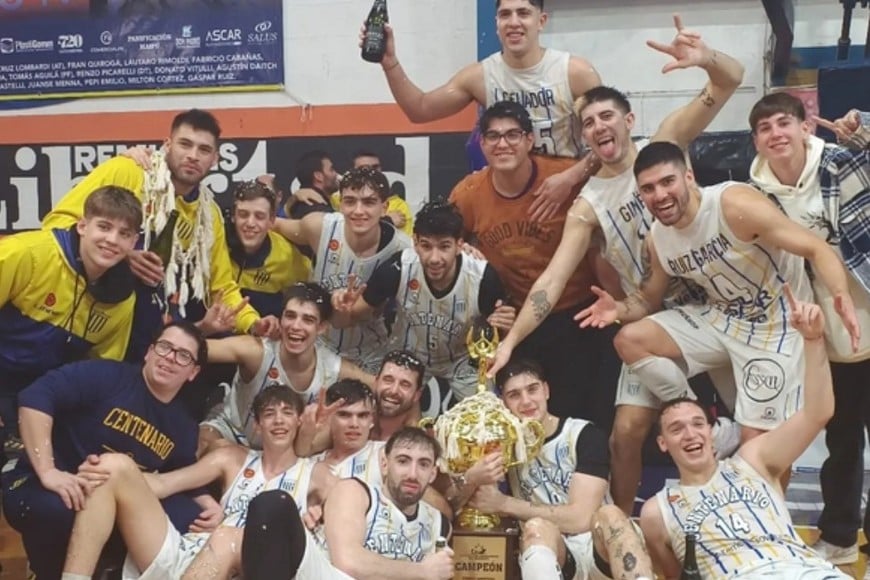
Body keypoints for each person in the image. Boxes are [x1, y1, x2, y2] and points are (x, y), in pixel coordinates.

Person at [488, 19, 746, 512]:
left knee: (749, 427)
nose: (597, 126)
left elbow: (730, 80)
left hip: (708, 306)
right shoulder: (587, 204)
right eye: (587, 122)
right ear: (583, 137)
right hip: (644, 316)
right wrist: (512, 342)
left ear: (628, 121)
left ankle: (742, 496)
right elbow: (551, 281)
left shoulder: (664, 143)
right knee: (624, 434)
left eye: (606, 116)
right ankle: (620, 529)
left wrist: (706, 57)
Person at [577, 142, 860, 463]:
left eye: (668, 182)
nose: (659, 195)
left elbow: (814, 247)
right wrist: (619, 308)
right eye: (649, 188)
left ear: (688, 177)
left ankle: (768, 510)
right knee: (630, 339)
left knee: (759, 453)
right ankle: (706, 424)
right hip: (722, 318)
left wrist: (841, 295)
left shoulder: (733, 204)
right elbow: (647, 299)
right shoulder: (659, 238)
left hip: (775, 327)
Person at [640, 286, 850, 578]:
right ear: (663, 443)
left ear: (711, 432)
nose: (690, 434)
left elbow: (818, 413)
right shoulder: (656, 512)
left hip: (808, 570)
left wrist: (813, 341)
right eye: (677, 429)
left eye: (698, 424)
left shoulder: (753, 460)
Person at [747, 94, 870, 568]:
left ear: (805, 128)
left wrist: (861, 127)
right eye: (765, 128)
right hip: (822, 332)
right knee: (840, 439)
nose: (776, 133)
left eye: (785, 123)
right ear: (755, 140)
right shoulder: (754, 195)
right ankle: (839, 533)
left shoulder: (841, 160)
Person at [42, 108, 277, 355]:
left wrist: (252, 322)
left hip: (148, 336)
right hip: (83, 320)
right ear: (167, 145)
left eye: (204, 150)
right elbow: (57, 223)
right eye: (185, 144)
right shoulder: (129, 170)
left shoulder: (209, 215)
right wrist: (122, 255)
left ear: (215, 159)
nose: (193, 156)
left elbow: (221, 287)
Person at [2, 322, 220, 580]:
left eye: (183, 355)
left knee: (190, 518)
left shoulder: (183, 425)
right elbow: (35, 398)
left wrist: (208, 505)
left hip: (112, 500)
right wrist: (48, 470)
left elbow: (179, 473)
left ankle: (109, 571)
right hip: (49, 482)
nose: (170, 358)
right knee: (60, 509)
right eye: (164, 347)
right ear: (149, 352)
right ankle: (44, 572)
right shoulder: (106, 376)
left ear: (193, 372)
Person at [449, 100, 620, 430]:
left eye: (513, 135)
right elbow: (440, 238)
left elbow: (615, 157)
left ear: (530, 140)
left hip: (580, 312)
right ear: (481, 144)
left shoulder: (560, 178)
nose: (503, 144)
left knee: (585, 420)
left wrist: (576, 174)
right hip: (519, 319)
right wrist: (464, 248)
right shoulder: (469, 194)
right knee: (528, 421)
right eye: (493, 136)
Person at [62, 384, 325, 579]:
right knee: (111, 466)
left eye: (287, 413)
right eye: (269, 414)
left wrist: (317, 518)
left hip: (249, 568)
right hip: (196, 552)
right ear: (256, 425)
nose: (278, 420)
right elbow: (164, 484)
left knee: (228, 537)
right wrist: (96, 473)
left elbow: (344, 530)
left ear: (299, 420)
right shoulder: (231, 457)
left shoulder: (318, 473)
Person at [369, 0, 602, 220]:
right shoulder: (479, 76)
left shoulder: (575, 72)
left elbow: (612, 140)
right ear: (497, 25)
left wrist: (571, 178)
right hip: (511, 198)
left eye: (523, 13)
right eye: (504, 14)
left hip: (568, 192)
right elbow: (419, 109)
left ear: (541, 21)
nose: (513, 22)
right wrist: (390, 63)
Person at [443, 358, 653, 580]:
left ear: (546, 390)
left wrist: (504, 504)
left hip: (598, 547)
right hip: (554, 550)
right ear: (503, 402)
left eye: (532, 389)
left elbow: (581, 518)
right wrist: (471, 478)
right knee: (536, 528)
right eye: (514, 395)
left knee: (611, 515)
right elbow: (452, 504)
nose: (526, 401)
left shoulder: (583, 435)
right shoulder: (503, 443)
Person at [0, 186, 142, 454]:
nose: (112, 240)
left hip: (42, 395)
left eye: (124, 234)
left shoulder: (123, 298)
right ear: (82, 226)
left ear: (134, 242)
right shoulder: (28, 253)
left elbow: (100, 372)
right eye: (104, 227)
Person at [330, 201, 515, 403]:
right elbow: (353, 316)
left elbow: (500, 335)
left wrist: (504, 326)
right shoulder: (397, 268)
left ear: (459, 245)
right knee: (385, 405)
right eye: (426, 246)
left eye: (444, 246)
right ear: (415, 242)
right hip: (408, 354)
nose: (434, 258)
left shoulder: (482, 276)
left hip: (462, 359)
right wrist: (343, 308)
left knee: (485, 415)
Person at [240, 426, 453, 580]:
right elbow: (348, 563)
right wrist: (422, 571)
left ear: (433, 473)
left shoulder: (439, 524)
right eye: (403, 461)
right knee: (273, 505)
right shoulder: (355, 492)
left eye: (423, 464)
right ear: (384, 464)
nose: (412, 474)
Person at [200, 282, 373, 453]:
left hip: (288, 454)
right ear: (280, 318)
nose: (296, 326)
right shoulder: (257, 351)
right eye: (290, 316)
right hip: (233, 433)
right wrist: (204, 328)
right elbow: (190, 348)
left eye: (308, 319)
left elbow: (384, 389)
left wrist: (325, 436)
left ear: (321, 328)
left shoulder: (333, 367)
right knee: (208, 444)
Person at [274, 167, 412, 373]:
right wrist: (291, 202)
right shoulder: (319, 227)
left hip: (371, 351)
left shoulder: (404, 249)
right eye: (350, 201)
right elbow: (273, 224)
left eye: (368, 202)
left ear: (384, 207)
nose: (358, 211)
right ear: (340, 204)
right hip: (318, 346)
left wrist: (467, 252)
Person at [226, 178, 311, 319]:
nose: (250, 223)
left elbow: (308, 298)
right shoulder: (217, 244)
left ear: (271, 220)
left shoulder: (287, 256)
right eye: (243, 214)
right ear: (233, 216)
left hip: (263, 337)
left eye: (259, 216)